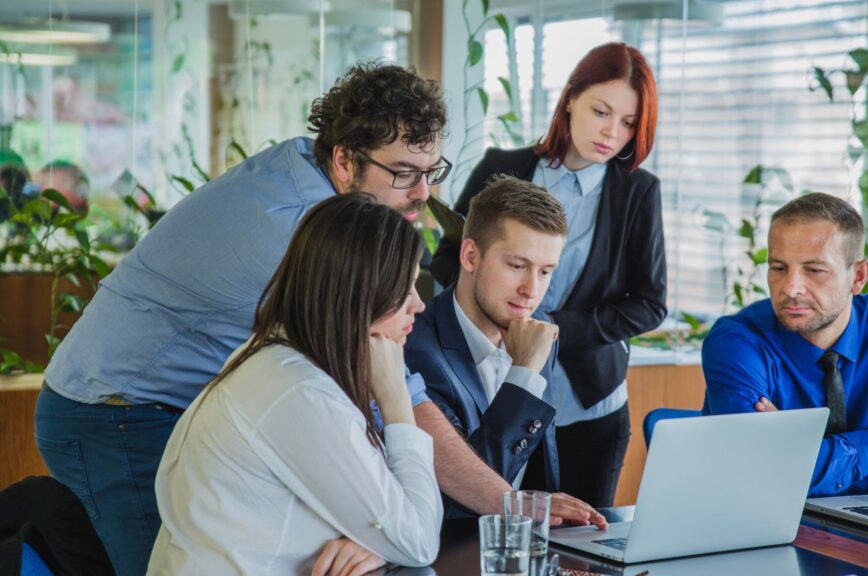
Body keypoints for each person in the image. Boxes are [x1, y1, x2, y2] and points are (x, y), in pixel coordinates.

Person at [35, 62, 564, 576]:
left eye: (431, 173)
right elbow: (395, 395)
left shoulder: (310, 176)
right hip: (115, 410)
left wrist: (380, 534)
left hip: (184, 404)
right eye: (403, 173)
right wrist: (510, 504)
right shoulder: (306, 238)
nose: (423, 194)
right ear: (343, 160)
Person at [147, 194, 441, 574]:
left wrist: (380, 543)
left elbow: (399, 524)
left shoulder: (283, 359)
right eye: (405, 289)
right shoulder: (298, 391)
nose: (418, 305)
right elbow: (418, 541)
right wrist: (397, 401)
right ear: (358, 296)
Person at [431, 43, 667, 507]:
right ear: (571, 98)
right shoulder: (504, 167)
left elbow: (650, 303)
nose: (611, 133)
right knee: (492, 528)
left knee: (580, 545)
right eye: (601, 111)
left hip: (588, 405)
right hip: (495, 394)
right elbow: (448, 258)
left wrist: (552, 330)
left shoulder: (638, 192)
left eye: (628, 123)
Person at [701, 192, 868, 496]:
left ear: (859, 276)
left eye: (814, 270)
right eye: (778, 268)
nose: (791, 288)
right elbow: (763, 473)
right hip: (754, 525)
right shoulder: (737, 342)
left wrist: (798, 452)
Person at [407, 176, 605, 526]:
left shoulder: (537, 328)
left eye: (545, 272)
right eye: (517, 266)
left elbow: (534, 472)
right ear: (470, 256)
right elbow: (467, 495)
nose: (531, 290)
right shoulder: (417, 350)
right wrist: (524, 373)